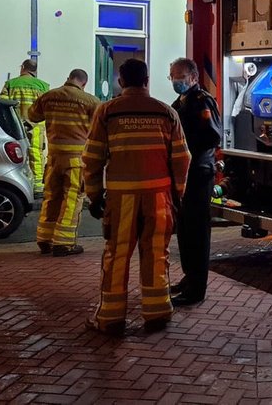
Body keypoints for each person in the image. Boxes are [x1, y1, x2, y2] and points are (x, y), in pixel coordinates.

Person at [82, 59, 191, 335]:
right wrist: (177, 194)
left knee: (117, 255)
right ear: (147, 80)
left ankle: (110, 317)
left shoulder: (107, 111)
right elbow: (182, 158)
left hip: (121, 198)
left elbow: (92, 157)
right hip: (159, 197)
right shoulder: (166, 112)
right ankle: (157, 312)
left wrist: (94, 195)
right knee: (156, 254)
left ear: (121, 81)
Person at [167, 57, 222, 307]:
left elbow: (212, 136)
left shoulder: (202, 101)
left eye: (179, 76)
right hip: (184, 174)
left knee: (197, 232)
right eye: (172, 77)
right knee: (185, 230)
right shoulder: (181, 102)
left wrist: (185, 148)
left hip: (198, 173)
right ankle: (189, 278)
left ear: (193, 77)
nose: (175, 81)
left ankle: (196, 288)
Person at [28, 69, 100, 256]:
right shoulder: (90, 101)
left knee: (51, 196)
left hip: (53, 158)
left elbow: (33, 116)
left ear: (68, 78)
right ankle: (64, 242)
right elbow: (99, 128)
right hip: (76, 159)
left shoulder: (49, 96)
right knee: (72, 199)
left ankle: (44, 239)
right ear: (84, 83)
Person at [0, 60, 50, 193]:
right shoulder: (43, 86)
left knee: (15, 155)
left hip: (15, 126)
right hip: (36, 126)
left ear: (22, 68)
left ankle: (18, 183)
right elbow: (46, 108)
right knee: (35, 154)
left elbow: (2, 105)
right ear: (35, 70)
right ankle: (37, 185)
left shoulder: (11, 84)